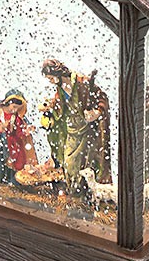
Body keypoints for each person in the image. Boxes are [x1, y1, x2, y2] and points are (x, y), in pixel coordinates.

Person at [41, 59, 112, 194]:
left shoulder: (82, 83)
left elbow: (102, 97)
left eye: (51, 78)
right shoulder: (60, 89)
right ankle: (73, 191)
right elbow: (60, 107)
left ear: (58, 74)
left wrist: (97, 112)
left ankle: (83, 193)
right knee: (69, 162)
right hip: (71, 130)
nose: (50, 81)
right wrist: (50, 107)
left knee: (87, 162)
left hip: (87, 130)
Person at [0, 90, 37, 184]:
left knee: (14, 166)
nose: (14, 110)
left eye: (17, 108)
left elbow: (19, 131)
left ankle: (11, 183)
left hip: (13, 146)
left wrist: (26, 130)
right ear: (8, 102)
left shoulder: (15, 116)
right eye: (14, 107)